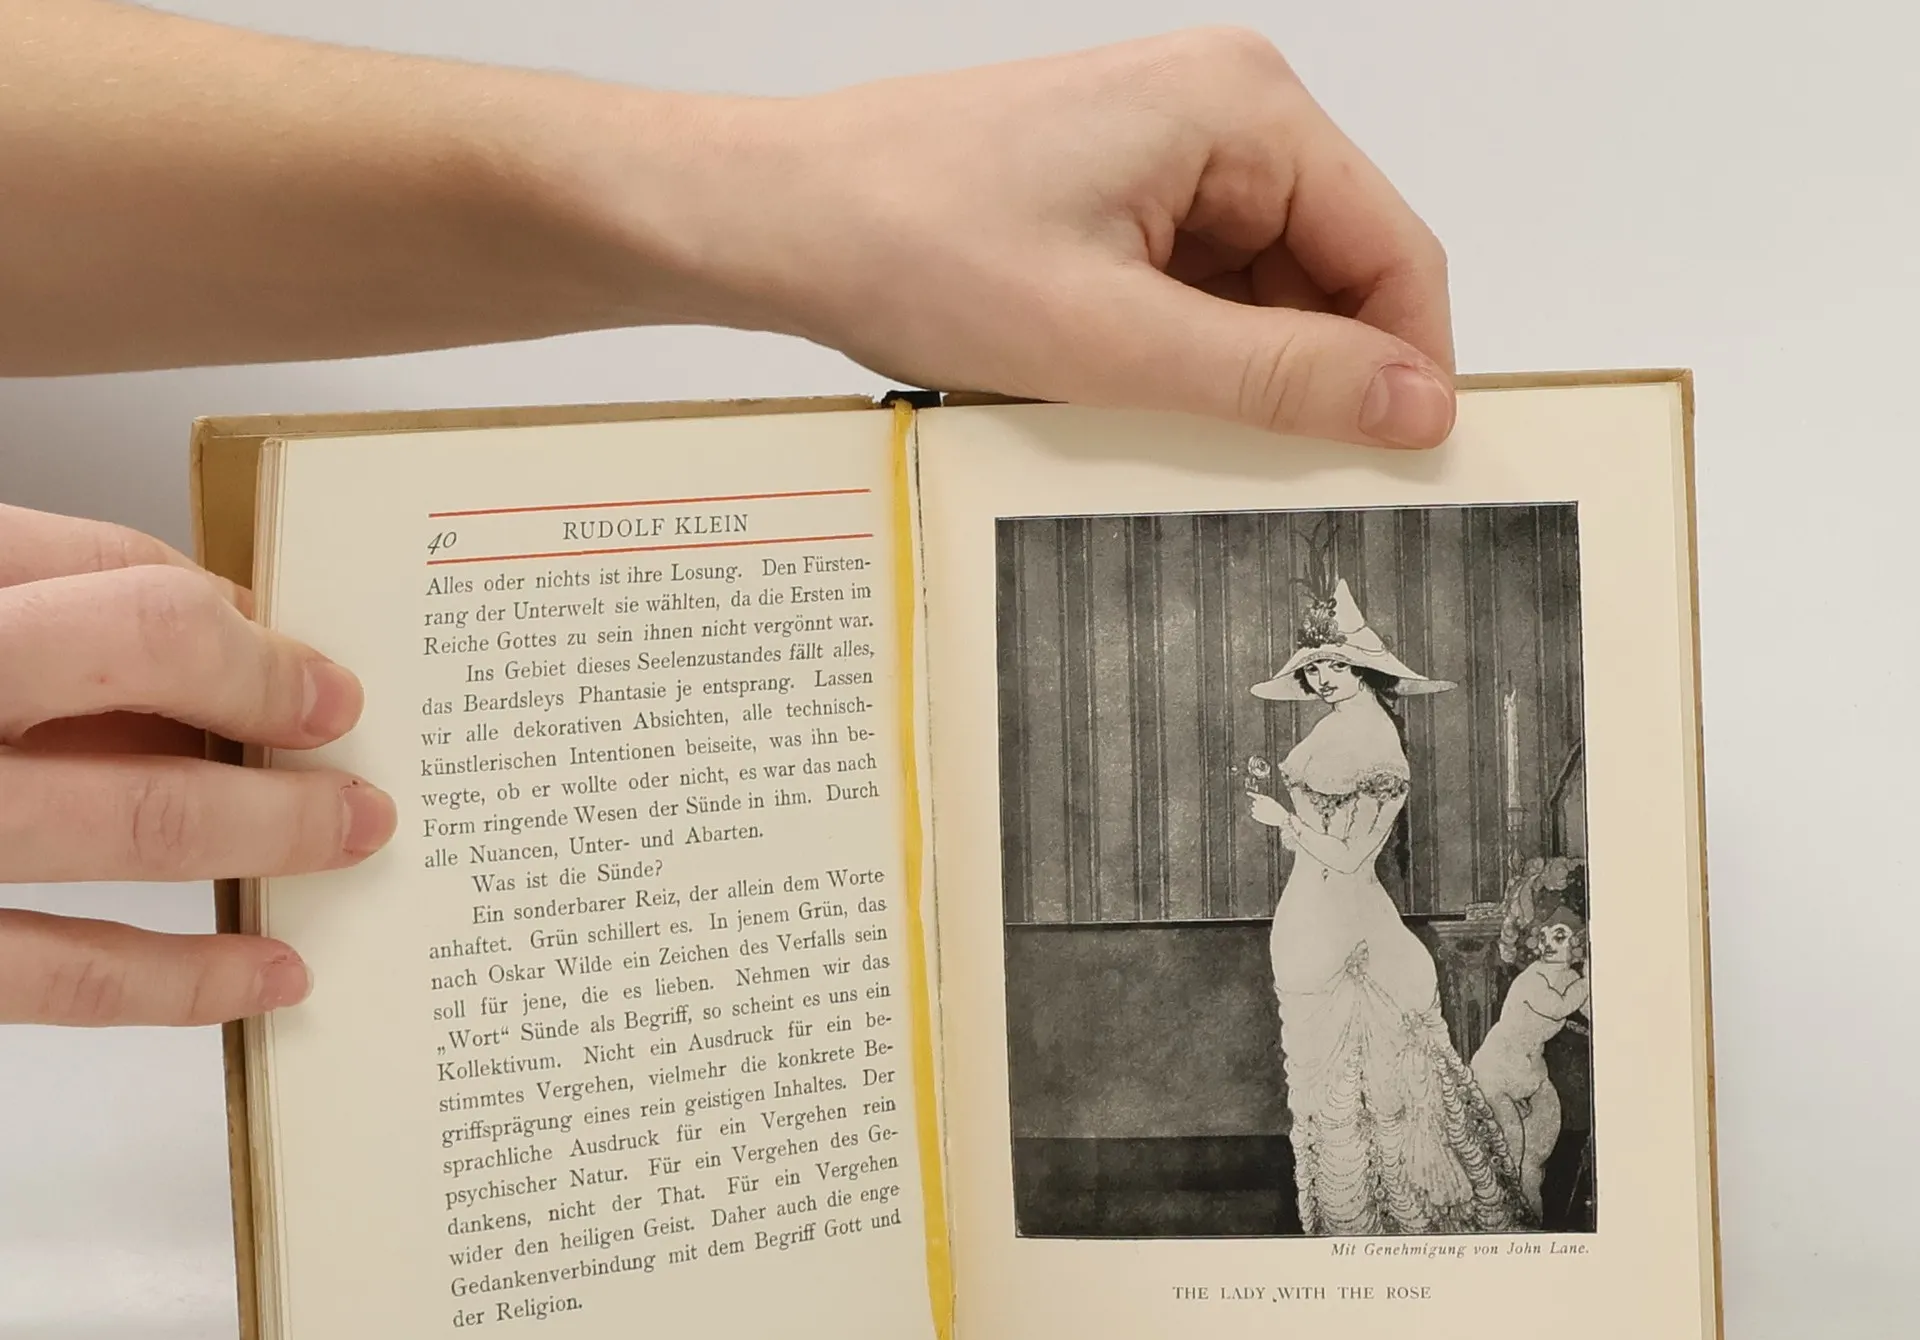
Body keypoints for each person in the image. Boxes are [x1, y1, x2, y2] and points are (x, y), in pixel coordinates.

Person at [0, 7, 1454, 1028]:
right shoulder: (1348, 733)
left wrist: (778, 199)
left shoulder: (1365, 743)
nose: (1313, 675)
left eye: (1326, 666)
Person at [1249, 578, 1524, 1234]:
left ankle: (1398, 1222)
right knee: (1328, 1088)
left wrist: (1285, 821)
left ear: (1365, 669)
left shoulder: (1379, 745)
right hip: (1310, 916)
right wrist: (1291, 821)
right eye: (1313, 668)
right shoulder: (1333, 727)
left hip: (1352, 926)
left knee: (1384, 1084)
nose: (1322, 679)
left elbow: (1350, 857)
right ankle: (1343, 1220)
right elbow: (1319, 840)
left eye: (1336, 666)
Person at [1470, 909, 1591, 1221]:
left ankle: (1531, 1217)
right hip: (1498, 1068)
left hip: (1531, 1073)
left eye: (1559, 936)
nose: (1548, 944)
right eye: (1544, 937)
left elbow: (1593, 1012)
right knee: (1511, 1150)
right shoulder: (1534, 978)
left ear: (1577, 942)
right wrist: (1592, 978)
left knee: (1536, 1154)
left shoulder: (1571, 978)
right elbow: (1559, 1006)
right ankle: (1504, 1219)